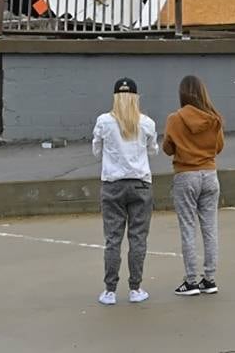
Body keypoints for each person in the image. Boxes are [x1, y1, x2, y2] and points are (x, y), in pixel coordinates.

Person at [92, 77, 159, 305]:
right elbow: (153, 151)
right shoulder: (147, 122)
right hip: (140, 183)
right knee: (138, 238)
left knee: (113, 239)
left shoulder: (103, 121)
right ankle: (135, 288)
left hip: (112, 184)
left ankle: (110, 290)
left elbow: (96, 150)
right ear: (135, 97)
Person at [163, 75, 225, 296]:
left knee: (188, 228)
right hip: (210, 174)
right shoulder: (214, 118)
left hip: (185, 175)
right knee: (210, 228)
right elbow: (218, 147)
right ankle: (209, 279)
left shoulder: (174, 119)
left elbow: (168, 149)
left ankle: (190, 281)